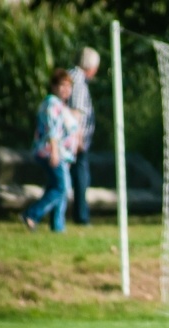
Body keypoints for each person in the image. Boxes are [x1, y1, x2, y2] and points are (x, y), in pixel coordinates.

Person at [21, 68, 79, 233]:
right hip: (51, 152)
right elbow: (52, 130)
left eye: (69, 86)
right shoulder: (51, 104)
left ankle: (57, 225)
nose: (66, 89)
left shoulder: (61, 105)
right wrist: (54, 152)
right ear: (54, 86)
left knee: (55, 188)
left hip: (63, 154)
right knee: (62, 188)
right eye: (62, 85)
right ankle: (32, 214)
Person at [67, 47, 100, 226]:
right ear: (90, 66)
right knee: (81, 178)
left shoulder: (69, 75)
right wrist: (78, 139)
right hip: (76, 141)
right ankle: (81, 217)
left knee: (69, 178)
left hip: (70, 139)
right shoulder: (78, 81)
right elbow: (76, 113)